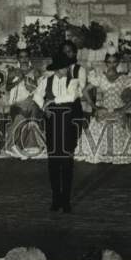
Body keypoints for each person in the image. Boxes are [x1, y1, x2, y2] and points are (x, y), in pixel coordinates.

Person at [33, 53, 83, 213]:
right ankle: (56, 199)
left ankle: (66, 200)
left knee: (67, 162)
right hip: (53, 124)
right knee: (53, 161)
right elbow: (36, 96)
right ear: (56, 69)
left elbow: (71, 97)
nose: (67, 69)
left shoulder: (73, 81)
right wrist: (44, 106)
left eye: (67, 67)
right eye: (63, 67)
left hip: (68, 124)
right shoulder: (46, 81)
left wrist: (52, 101)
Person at [75, 49, 131, 165]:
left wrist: (124, 108)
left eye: (114, 62)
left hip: (118, 109)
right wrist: (95, 107)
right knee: (99, 123)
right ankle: (99, 152)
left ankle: (115, 153)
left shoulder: (124, 78)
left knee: (117, 124)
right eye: (109, 62)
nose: (112, 64)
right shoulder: (100, 77)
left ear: (118, 63)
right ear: (106, 63)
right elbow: (85, 91)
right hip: (104, 108)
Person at [2, 44, 47, 160]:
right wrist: (18, 81)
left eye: (26, 56)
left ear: (29, 57)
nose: (24, 59)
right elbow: (7, 88)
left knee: (33, 111)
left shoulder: (35, 72)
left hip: (32, 101)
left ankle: (32, 147)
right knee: (21, 116)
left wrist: (32, 85)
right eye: (21, 57)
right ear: (18, 58)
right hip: (17, 104)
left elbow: (40, 88)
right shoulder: (13, 72)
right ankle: (12, 146)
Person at [58, 39, 89, 138]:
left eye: (69, 52)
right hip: (58, 101)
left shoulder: (80, 69)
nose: (66, 54)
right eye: (64, 52)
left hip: (73, 102)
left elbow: (80, 90)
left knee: (73, 107)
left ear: (74, 53)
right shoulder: (56, 68)